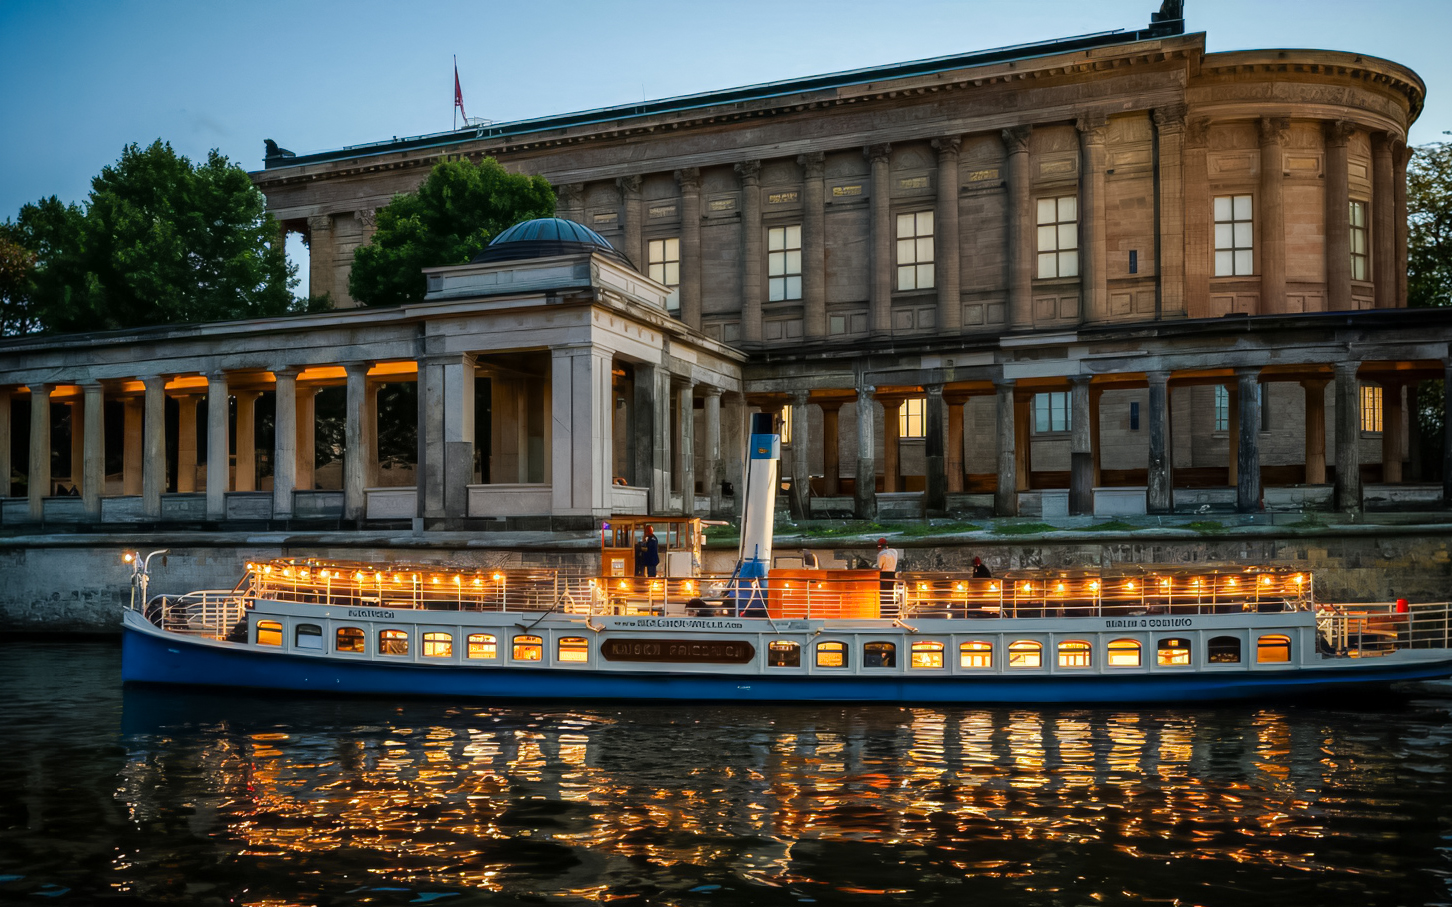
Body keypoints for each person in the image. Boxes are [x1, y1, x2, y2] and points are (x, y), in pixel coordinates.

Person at [877, 537, 900, 615]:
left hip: (884, 573)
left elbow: (879, 566)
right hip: (892, 573)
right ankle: (892, 608)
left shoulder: (881, 554)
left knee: (884, 592)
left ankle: (886, 608)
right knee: (890, 591)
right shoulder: (894, 551)